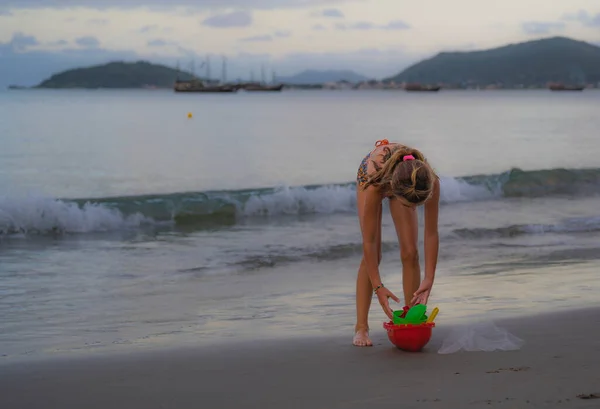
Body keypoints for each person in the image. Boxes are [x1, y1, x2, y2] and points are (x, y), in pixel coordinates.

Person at [353, 139, 440, 347]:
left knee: (410, 252)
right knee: (375, 256)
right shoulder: (375, 184)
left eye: (415, 207)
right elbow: (369, 243)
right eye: (407, 206)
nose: (411, 211)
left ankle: (411, 318)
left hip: (404, 177)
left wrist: (429, 278)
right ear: (394, 192)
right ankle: (361, 327)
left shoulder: (431, 181)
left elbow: (431, 233)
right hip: (373, 173)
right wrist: (378, 286)